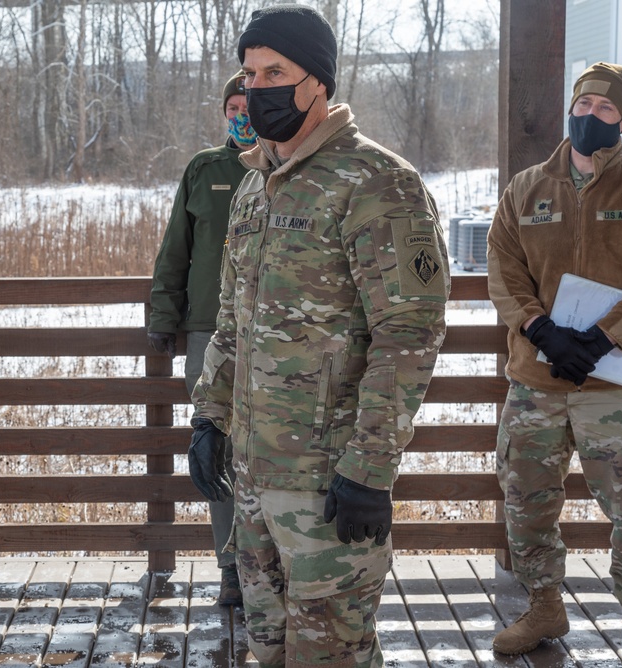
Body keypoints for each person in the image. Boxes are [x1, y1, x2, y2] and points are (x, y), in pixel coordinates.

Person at [187, 5, 449, 666]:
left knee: (332, 653)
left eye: (276, 71)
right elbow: (232, 320)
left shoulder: (378, 183)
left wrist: (369, 467)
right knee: (267, 649)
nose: (257, 87)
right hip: (255, 477)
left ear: (318, 84)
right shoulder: (255, 186)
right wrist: (210, 417)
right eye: (249, 73)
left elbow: (408, 337)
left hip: (328, 486)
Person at [487, 62, 622, 668]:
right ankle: (545, 604)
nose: (590, 117)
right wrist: (540, 327)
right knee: (525, 497)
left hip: (618, 382)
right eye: (583, 105)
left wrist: (602, 340)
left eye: (605, 110)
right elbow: (503, 267)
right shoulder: (526, 188)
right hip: (537, 377)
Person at [148, 70, 255, 607]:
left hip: (274, 335)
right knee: (219, 450)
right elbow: (175, 250)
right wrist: (163, 317)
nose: (242, 116)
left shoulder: (289, 167)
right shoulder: (204, 169)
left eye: (250, 104)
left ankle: (274, 567)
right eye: (233, 107)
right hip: (207, 330)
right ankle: (231, 567)